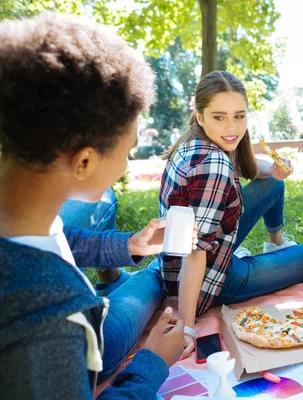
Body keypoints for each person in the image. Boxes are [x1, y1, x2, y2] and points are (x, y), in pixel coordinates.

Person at [0, 13, 187, 398]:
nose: (126, 165)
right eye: (128, 151)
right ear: (84, 162)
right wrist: (151, 363)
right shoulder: (50, 317)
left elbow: (62, 236)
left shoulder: (23, 217)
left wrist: (131, 244)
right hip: (84, 348)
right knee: (151, 285)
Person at [159, 71, 303, 358]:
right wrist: (187, 325)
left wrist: (274, 169)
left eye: (240, 116)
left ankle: (276, 243)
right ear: (200, 116)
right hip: (211, 278)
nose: (232, 127)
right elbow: (195, 252)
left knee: (272, 180)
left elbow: (249, 169)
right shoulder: (213, 165)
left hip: (202, 251)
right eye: (219, 117)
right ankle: (273, 256)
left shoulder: (196, 143)